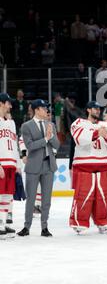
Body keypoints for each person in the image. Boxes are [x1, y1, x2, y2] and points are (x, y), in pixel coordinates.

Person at [69, 101, 107, 234]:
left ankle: (103, 220)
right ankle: (79, 221)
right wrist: (97, 134)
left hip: (103, 164)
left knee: (105, 196)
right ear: (88, 110)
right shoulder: (79, 122)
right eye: (95, 109)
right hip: (84, 164)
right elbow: (79, 139)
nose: (98, 111)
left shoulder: (106, 125)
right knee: (83, 195)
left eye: (99, 109)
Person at [18, 99, 60, 237]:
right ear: (36, 110)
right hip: (33, 165)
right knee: (31, 198)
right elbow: (30, 146)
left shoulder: (51, 125)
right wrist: (46, 139)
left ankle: (44, 227)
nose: (46, 110)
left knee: (46, 199)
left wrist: (51, 137)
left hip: (48, 165)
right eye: (44, 108)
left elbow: (57, 145)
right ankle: (27, 226)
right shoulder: (26, 126)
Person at [0, 93, 19, 239]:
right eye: (9, 103)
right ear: (1, 103)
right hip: (2, 162)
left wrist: (17, 162)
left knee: (7, 194)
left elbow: (14, 144)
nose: (11, 106)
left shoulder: (11, 123)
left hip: (11, 163)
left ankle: (4, 221)